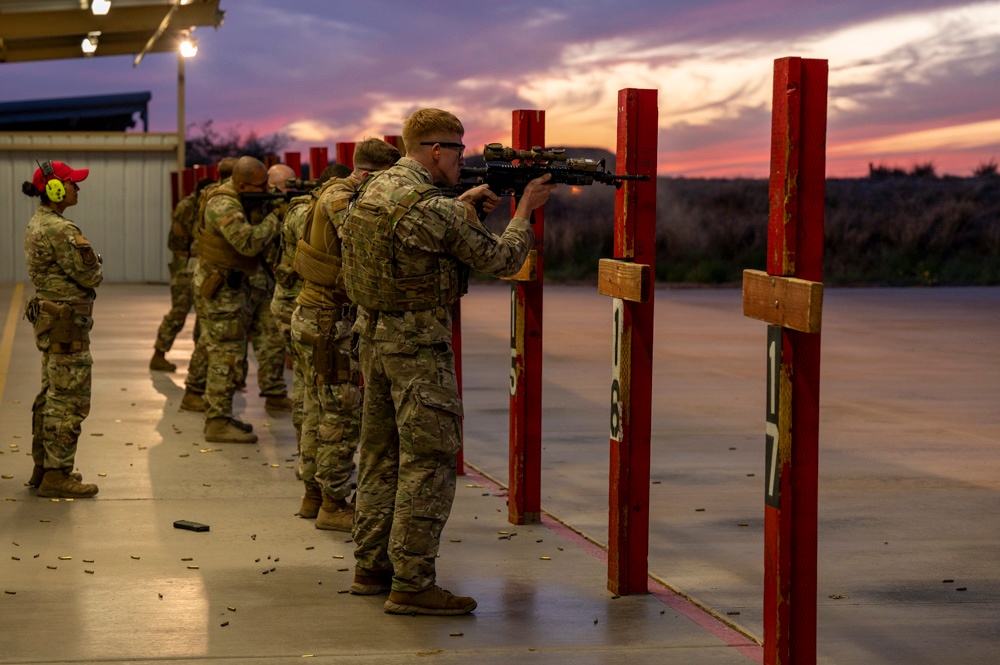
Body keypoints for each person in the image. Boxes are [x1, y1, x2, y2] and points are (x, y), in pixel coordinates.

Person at [342, 109, 555, 615]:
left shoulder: (377, 189)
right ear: (435, 151)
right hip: (417, 349)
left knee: (379, 455)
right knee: (429, 463)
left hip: (374, 340)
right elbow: (503, 260)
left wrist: (460, 207)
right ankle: (413, 583)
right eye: (459, 150)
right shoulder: (429, 207)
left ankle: (372, 566)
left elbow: (412, 237)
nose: (466, 159)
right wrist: (524, 210)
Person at [290, 140, 400, 530]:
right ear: (371, 175)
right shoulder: (341, 198)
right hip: (327, 320)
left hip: (316, 315)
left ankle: (314, 495)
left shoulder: (333, 191)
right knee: (341, 415)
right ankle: (333, 503)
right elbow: (362, 240)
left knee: (318, 410)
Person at [21, 160, 103, 498]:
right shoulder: (60, 229)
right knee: (68, 399)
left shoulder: (39, 223)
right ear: (54, 189)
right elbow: (91, 274)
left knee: (51, 393)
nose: (77, 188)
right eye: (72, 183)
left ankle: (44, 467)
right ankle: (57, 474)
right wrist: (96, 262)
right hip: (66, 324)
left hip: (54, 321)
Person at [192, 156, 282, 443]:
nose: (265, 189)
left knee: (227, 351)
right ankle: (216, 423)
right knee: (225, 355)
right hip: (220, 290)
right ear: (242, 184)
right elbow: (248, 243)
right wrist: (275, 217)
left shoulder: (233, 195)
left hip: (227, 286)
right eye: (260, 186)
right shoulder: (224, 204)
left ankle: (222, 415)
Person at [181, 157, 236, 413]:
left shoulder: (210, 195)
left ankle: (195, 389)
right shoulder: (223, 199)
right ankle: (201, 394)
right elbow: (245, 241)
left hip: (203, 270)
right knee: (213, 340)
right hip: (213, 274)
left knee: (206, 336)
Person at [150, 176, 215, 372]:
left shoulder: (207, 206)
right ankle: (159, 354)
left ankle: (201, 362)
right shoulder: (187, 207)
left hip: (199, 265)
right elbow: (178, 241)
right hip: (185, 266)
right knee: (179, 312)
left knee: (204, 316)